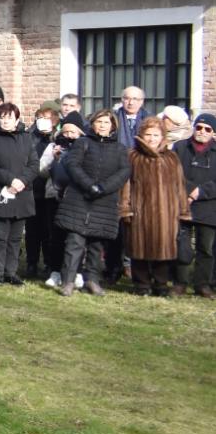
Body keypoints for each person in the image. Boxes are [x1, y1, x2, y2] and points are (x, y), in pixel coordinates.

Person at [52, 110, 130, 296]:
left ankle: (93, 280)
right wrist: (88, 185)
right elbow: (72, 165)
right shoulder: (82, 143)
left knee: (97, 245)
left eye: (106, 122)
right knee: (74, 243)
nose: (103, 125)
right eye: (99, 121)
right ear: (93, 124)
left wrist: (102, 188)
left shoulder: (120, 149)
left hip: (104, 201)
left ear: (113, 126)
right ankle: (68, 281)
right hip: (79, 200)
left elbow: (123, 172)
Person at [122, 116, 190, 296]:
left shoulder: (171, 158)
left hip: (167, 213)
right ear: (141, 135)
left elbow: (180, 186)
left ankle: (161, 284)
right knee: (139, 249)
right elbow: (125, 184)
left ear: (162, 137)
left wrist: (183, 210)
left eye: (156, 134)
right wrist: (126, 208)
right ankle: (141, 284)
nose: (152, 138)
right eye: (148, 134)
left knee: (164, 249)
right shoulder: (133, 157)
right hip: (140, 211)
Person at [0, 102, 39, 285]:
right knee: (0, 236)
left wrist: (22, 181)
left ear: (17, 119)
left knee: (15, 237)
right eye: (2, 118)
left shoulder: (26, 138)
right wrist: (10, 180)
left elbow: (34, 164)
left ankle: (11, 272)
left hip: (22, 193)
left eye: (9, 118)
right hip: (0, 192)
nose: (5, 121)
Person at [38, 114, 85, 288]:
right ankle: (54, 270)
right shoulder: (52, 146)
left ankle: (77, 272)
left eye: (73, 132)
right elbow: (41, 171)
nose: (69, 135)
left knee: (76, 238)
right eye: (66, 131)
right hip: (54, 196)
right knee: (55, 236)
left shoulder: (85, 147)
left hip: (76, 198)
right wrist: (53, 159)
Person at [174, 114, 216, 296]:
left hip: (209, 207)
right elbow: (173, 172)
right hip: (183, 203)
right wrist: (190, 190)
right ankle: (179, 283)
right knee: (182, 246)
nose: (202, 132)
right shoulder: (180, 147)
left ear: (213, 132)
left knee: (205, 248)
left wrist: (201, 192)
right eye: (199, 127)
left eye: (207, 129)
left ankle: (202, 284)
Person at [26, 102, 63, 278]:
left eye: (48, 117)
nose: (45, 121)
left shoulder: (59, 137)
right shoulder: (30, 136)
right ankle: (31, 262)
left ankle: (49, 263)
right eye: (41, 117)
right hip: (32, 190)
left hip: (50, 192)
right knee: (32, 231)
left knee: (49, 231)